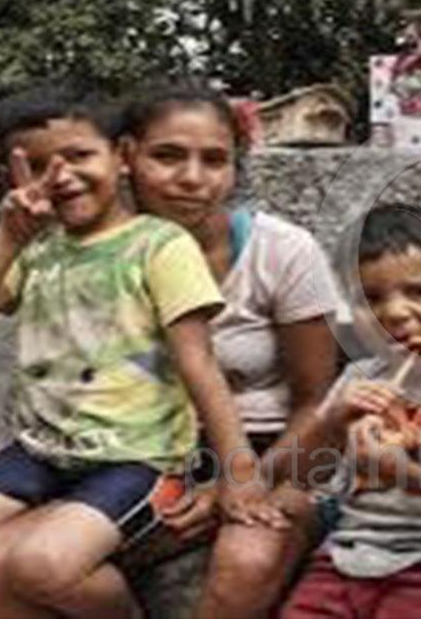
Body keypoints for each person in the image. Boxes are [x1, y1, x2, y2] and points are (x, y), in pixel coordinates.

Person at [0, 84, 261, 618]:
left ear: (121, 156)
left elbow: (199, 363)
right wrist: (9, 236)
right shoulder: (35, 248)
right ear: (14, 175)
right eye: (37, 165)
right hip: (41, 453)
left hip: (139, 457)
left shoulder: (160, 245)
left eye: (79, 155)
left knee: (38, 564)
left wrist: (238, 474)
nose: (60, 176)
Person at [120, 82, 341, 619]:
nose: (192, 178)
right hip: (152, 456)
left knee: (246, 562)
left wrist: (239, 482)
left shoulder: (281, 251)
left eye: (214, 160)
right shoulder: (102, 254)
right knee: (35, 558)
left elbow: (318, 401)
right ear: (127, 156)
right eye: (168, 156)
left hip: (283, 453)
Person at [278, 203, 421, 619]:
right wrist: (332, 421)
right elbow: (302, 474)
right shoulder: (359, 377)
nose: (394, 313)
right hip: (343, 558)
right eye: (371, 299)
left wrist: (403, 474)